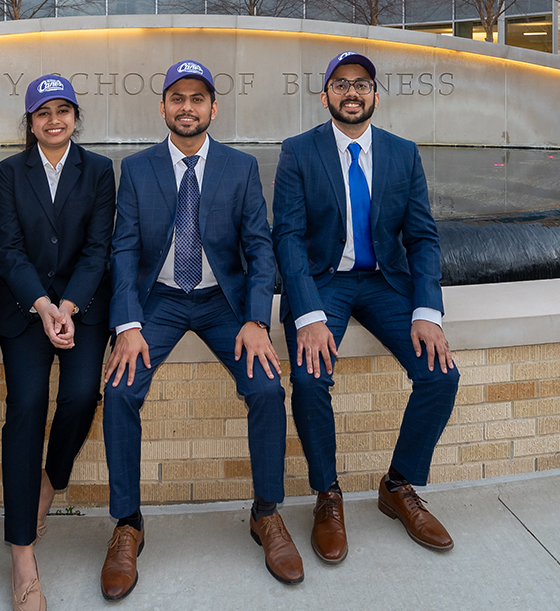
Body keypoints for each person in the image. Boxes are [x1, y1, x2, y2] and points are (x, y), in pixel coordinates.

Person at [98, 59, 302, 600]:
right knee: (118, 392)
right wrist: (127, 322)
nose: (186, 107)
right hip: (158, 301)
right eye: (177, 98)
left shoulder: (240, 167)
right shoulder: (137, 169)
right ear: (163, 106)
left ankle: (266, 513)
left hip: (221, 302)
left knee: (265, 388)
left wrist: (256, 319)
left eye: (197, 98)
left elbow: (260, 247)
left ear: (213, 107)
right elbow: (122, 251)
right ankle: (127, 524)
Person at [272, 51, 461, 565]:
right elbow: (286, 236)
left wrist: (428, 309)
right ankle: (327, 495)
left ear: (375, 95)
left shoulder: (402, 153)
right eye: (340, 84)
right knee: (310, 379)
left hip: (384, 281)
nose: (350, 92)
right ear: (325, 95)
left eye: (360, 84)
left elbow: (422, 236)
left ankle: (397, 486)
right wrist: (307, 314)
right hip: (323, 282)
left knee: (441, 374)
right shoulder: (298, 152)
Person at [0, 74, 117, 611]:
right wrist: (42, 306)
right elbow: (9, 249)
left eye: (63, 110)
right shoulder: (9, 172)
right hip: (25, 308)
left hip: (80, 308)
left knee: (83, 394)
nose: (54, 120)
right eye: (43, 113)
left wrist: (67, 307)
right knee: (26, 405)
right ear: (30, 122)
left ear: (74, 117)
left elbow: (97, 249)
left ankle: (51, 478)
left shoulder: (99, 171)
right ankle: (23, 555)